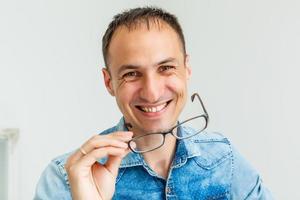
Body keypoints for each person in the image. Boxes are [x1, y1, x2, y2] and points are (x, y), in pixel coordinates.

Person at [34, 7, 273, 200]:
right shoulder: (66, 178)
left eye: (166, 68)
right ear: (109, 82)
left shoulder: (224, 160)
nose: (152, 92)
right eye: (131, 74)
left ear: (186, 68)